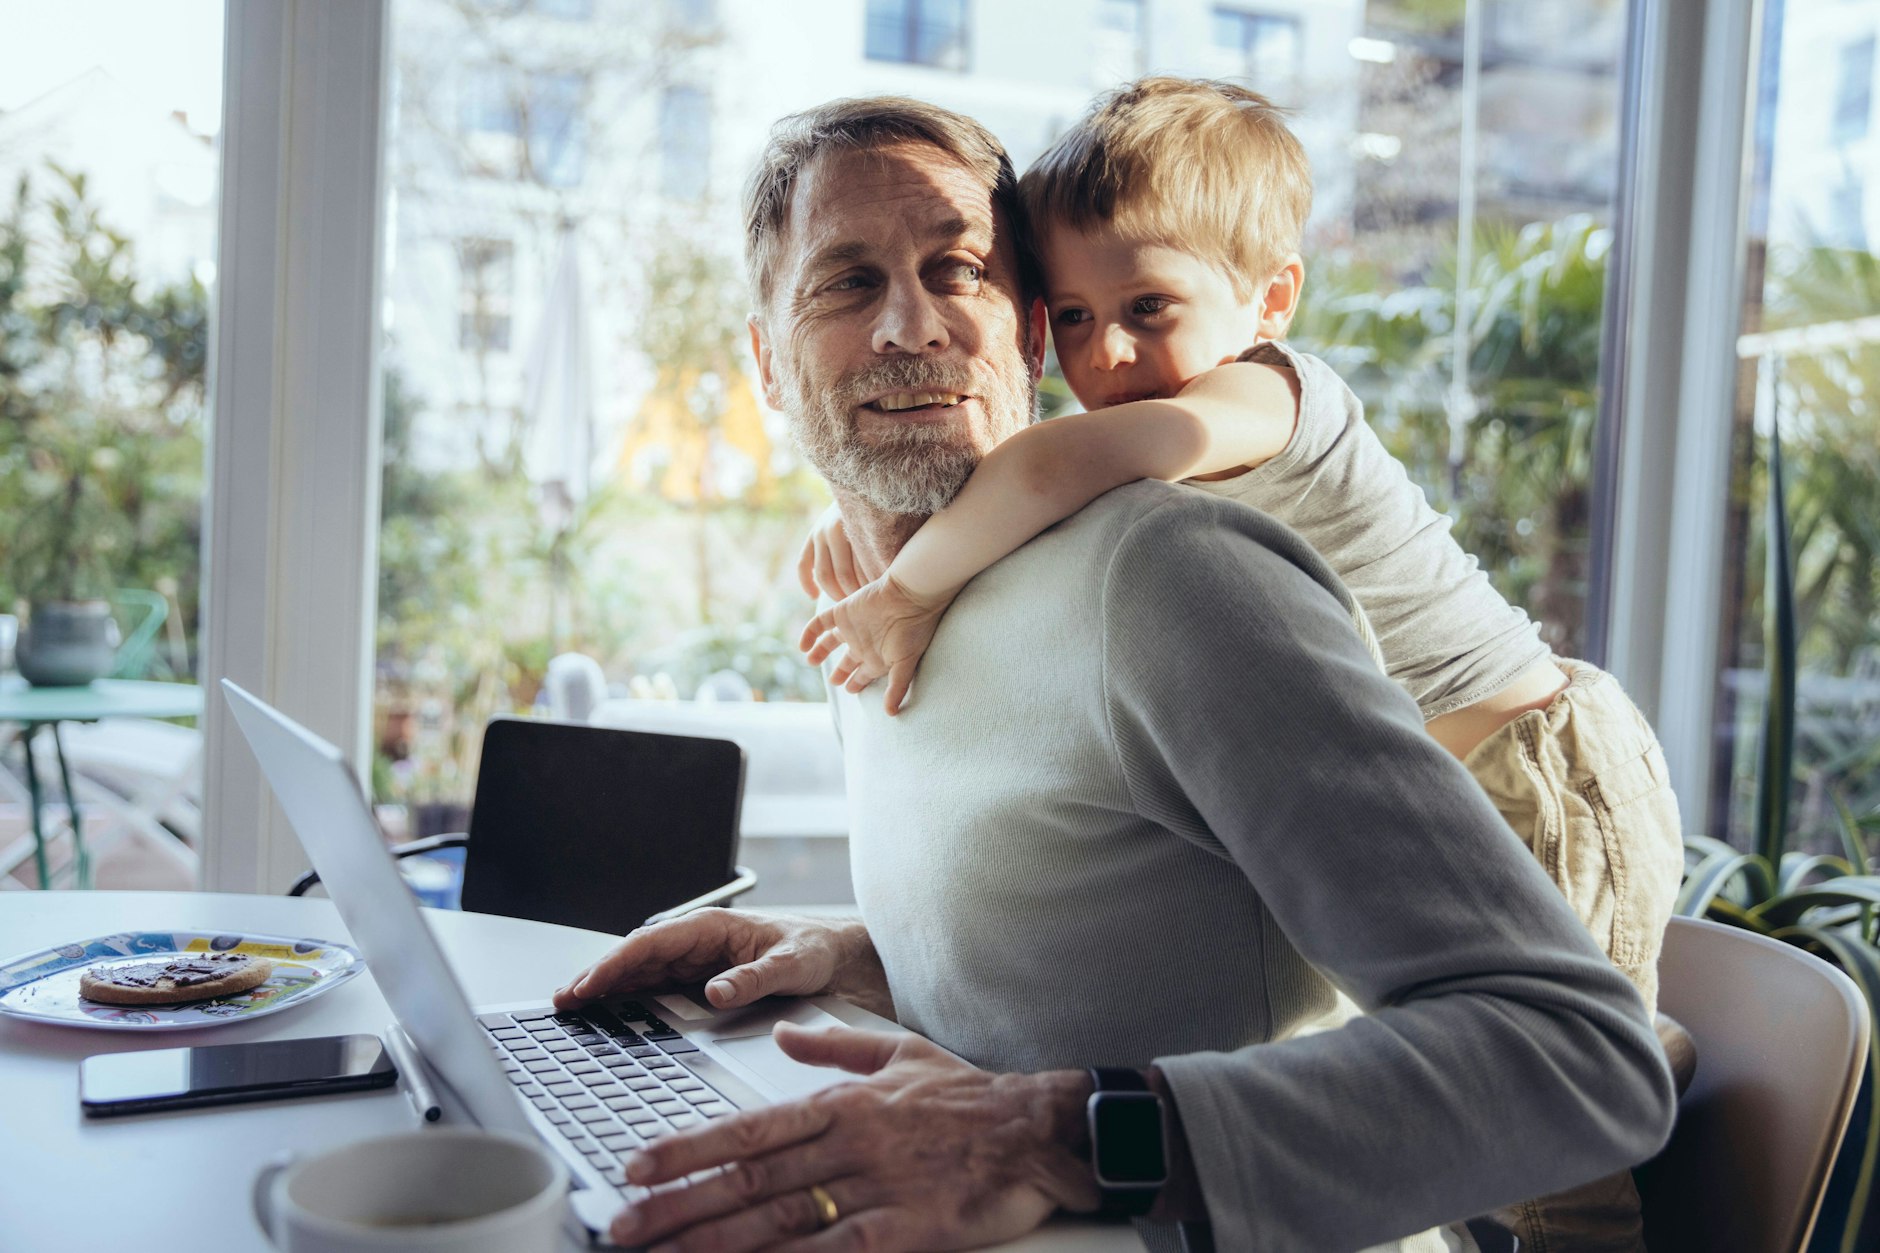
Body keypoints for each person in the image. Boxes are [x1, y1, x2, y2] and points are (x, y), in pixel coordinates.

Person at [555, 94, 1675, 1253]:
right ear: (765, 364)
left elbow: (1576, 1061)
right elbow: (1125, 939)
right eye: (846, 283)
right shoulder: (874, 615)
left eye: (959, 270)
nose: (912, 324)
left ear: (1029, 329)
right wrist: (853, 956)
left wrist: (1043, 1131)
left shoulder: (1165, 574)